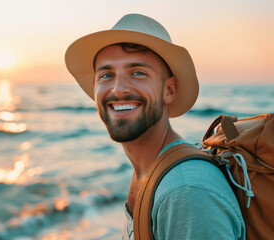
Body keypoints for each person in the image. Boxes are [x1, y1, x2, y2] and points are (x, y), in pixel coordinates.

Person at [65, 13, 245, 239]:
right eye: (106, 75)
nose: (118, 89)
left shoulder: (186, 191)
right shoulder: (150, 172)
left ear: (169, 90)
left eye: (138, 73)